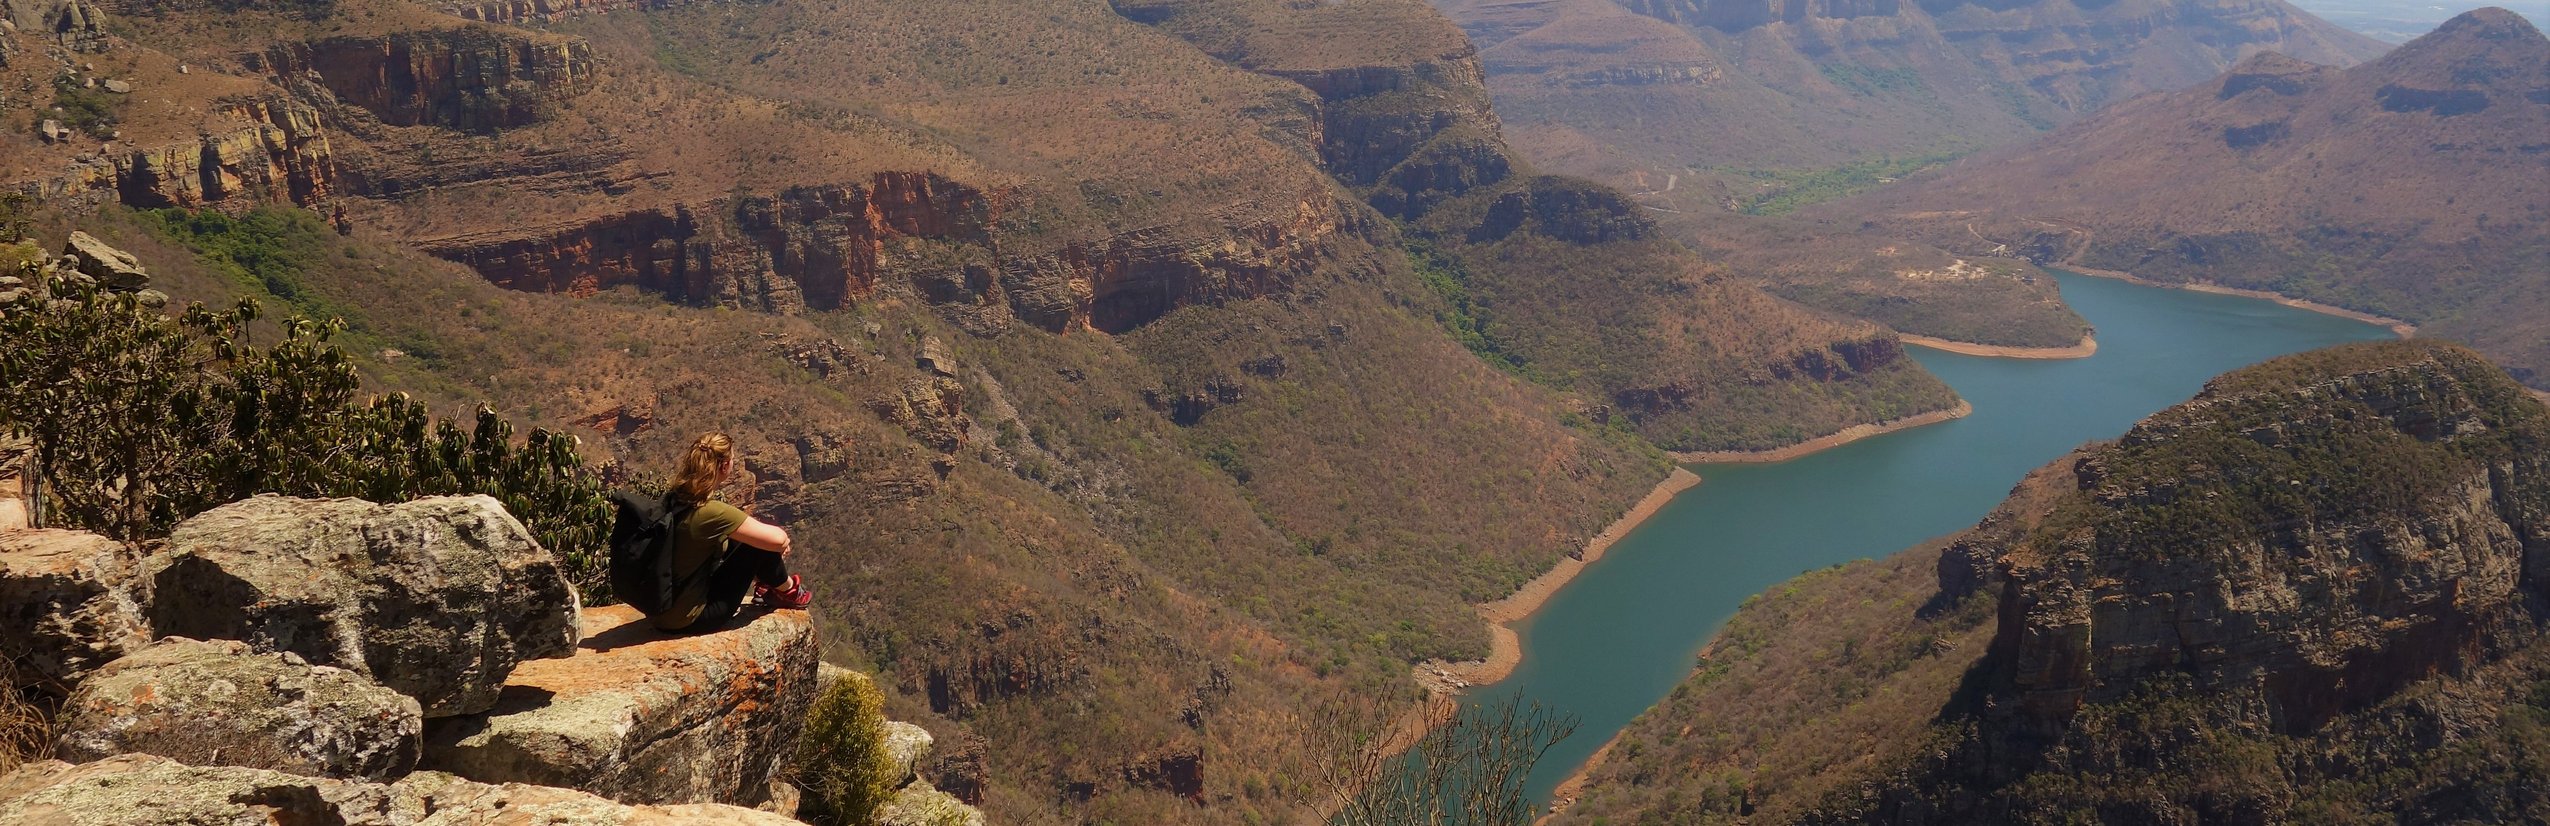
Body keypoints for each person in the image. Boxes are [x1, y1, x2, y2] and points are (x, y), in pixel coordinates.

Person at [653, 432, 812, 633]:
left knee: (745, 538)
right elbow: (778, 540)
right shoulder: (710, 511)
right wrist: (775, 545)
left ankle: (767, 585)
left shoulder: (674, 499)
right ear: (725, 466)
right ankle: (790, 591)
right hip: (693, 618)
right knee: (758, 545)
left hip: (660, 610)